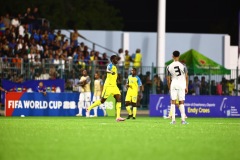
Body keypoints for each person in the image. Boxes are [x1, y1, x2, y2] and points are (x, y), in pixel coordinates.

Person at [86, 55, 125, 122]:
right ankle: (88, 108)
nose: (117, 60)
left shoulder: (115, 67)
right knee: (102, 101)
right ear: (112, 60)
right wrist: (111, 72)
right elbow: (107, 70)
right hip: (108, 86)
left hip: (114, 86)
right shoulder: (110, 65)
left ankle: (118, 117)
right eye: (115, 59)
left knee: (119, 99)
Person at [166, 51, 188, 124]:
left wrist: (169, 88)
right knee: (181, 102)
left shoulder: (168, 66)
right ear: (179, 56)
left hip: (174, 84)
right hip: (181, 84)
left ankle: (173, 121)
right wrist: (186, 86)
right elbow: (186, 77)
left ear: (172, 56)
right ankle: (183, 120)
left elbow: (168, 79)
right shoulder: (183, 65)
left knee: (173, 101)